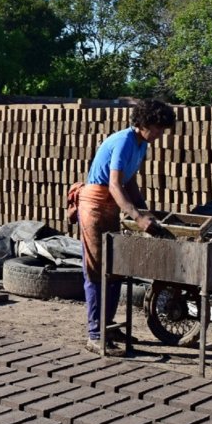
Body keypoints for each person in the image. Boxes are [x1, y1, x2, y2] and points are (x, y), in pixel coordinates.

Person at [77, 98, 177, 355]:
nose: (159, 134)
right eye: (156, 128)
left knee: (115, 271)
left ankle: (108, 325)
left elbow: (129, 183)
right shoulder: (123, 141)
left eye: (162, 130)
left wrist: (145, 212)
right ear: (143, 123)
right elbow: (114, 185)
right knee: (98, 271)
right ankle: (95, 334)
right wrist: (136, 217)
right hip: (96, 206)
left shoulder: (141, 145)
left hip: (111, 207)